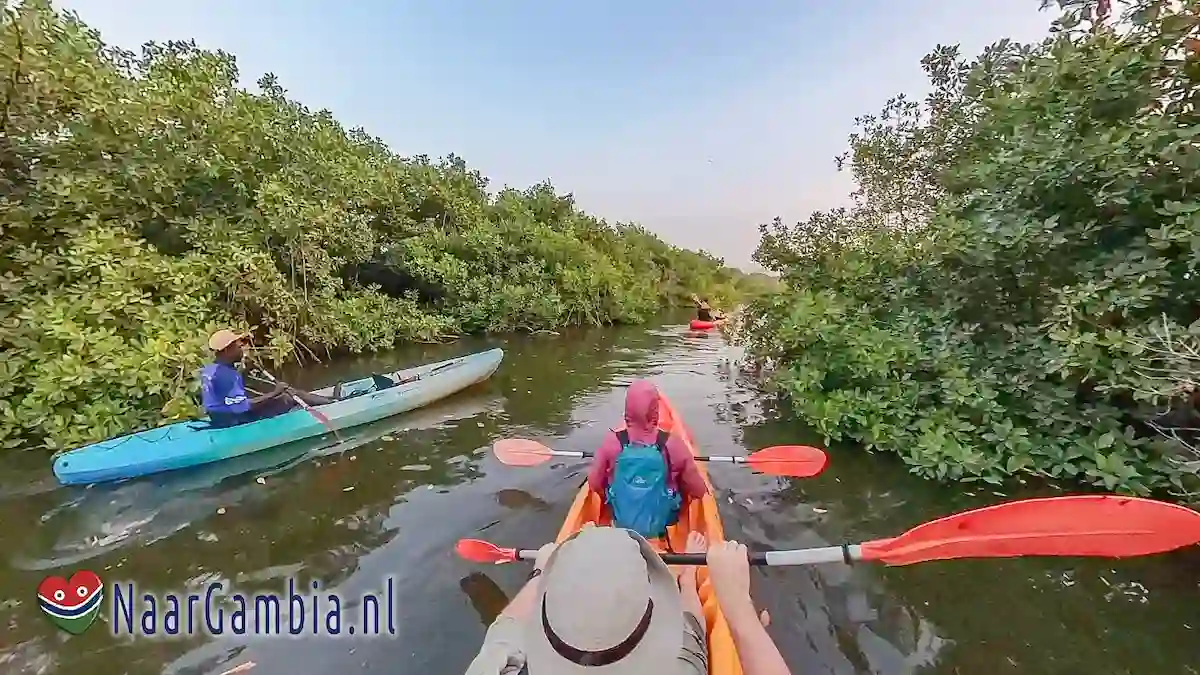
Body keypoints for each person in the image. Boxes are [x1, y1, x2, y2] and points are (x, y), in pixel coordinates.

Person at [463, 524, 792, 675]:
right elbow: (690, 626)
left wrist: (540, 573)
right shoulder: (681, 667)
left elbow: (503, 631)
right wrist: (737, 606)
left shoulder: (498, 668)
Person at [587, 380, 708, 540]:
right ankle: (672, 531)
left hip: (621, 516)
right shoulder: (675, 445)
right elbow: (698, 490)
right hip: (665, 519)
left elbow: (594, 483)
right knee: (684, 490)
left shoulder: (611, 442)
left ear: (627, 410)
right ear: (655, 412)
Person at [198, 329, 334, 428]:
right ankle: (333, 404)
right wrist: (275, 392)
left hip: (218, 417)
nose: (242, 350)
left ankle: (327, 400)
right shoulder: (227, 376)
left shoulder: (209, 369)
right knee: (288, 396)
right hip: (233, 420)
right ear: (227, 350)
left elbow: (224, 394)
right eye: (239, 347)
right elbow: (244, 407)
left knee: (283, 395)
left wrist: (243, 371)